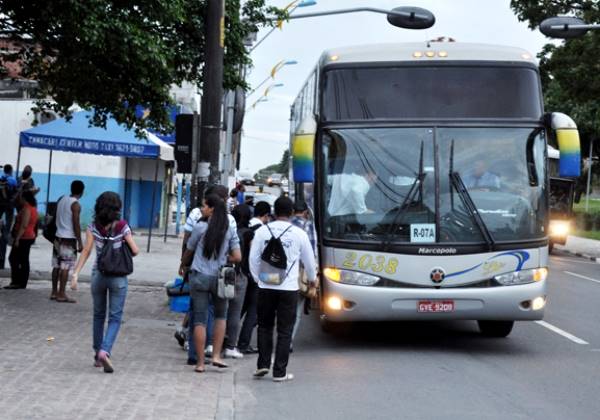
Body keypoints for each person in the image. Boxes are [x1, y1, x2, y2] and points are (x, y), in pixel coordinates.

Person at [249, 196, 317, 382]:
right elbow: (310, 262)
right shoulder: (299, 234)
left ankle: (263, 364)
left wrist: (258, 280)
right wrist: (312, 281)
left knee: (264, 326)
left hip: (266, 285)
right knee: (285, 330)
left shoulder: (262, 231)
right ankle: (279, 372)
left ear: (274, 211)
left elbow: (253, 259)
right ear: (291, 212)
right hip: (288, 288)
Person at [71, 191, 139, 373]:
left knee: (98, 316)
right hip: (118, 277)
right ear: (118, 208)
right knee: (115, 317)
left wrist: (75, 274)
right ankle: (105, 351)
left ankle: (97, 355)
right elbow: (135, 250)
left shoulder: (93, 226)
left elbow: (86, 250)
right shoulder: (123, 226)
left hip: (99, 275)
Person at [179, 194, 241, 373]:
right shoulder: (229, 229)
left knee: (199, 319)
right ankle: (216, 356)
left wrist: (182, 265)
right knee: (221, 317)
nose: (202, 209)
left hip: (199, 277)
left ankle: (199, 363)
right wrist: (223, 257)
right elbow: (238, 257)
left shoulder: (200, 227)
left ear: (212, 209)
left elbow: (189, 250)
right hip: (220, 279)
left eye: (205, 206)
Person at [237, 201, 271, 354]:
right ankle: (243, 343)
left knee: (239, 309)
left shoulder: (244, 225)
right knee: (253, 311)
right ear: (266, 216)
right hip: (256, 275)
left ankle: (227, 338)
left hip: (242, 273)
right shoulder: (262, 231)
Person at [289, 200, 318, 351]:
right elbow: (311, 253)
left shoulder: (286, 225)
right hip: (301, 274)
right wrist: (313, 278)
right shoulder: (308, 226)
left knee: (283, 308)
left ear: (293, 211)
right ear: (306, 212)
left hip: (284, 273)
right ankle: (289, 341)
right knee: (296, 310)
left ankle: (282, 338)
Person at [51, 180, 84, 302]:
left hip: (58, 236)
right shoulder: (75, 205)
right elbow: (76, 224)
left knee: (56, 266)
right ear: (82, 191)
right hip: (68, 239)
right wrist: (80, 241)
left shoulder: (62, 199)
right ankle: (62, 294)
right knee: (65, 267)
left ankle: (54, 292)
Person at [4, 191, 38, 289]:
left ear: (24, 198)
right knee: (23, 260)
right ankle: (21, 282)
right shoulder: (33, 208)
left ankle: (17, 281)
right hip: (28, 236)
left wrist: (17, 239)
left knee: (14, 258)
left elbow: (24, 225)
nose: (19, 199)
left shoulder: (27, 209)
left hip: (24, 237)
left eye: (21, 198)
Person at [0, 164, 18, 270]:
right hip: (9, 208)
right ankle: (1, 261)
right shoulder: (12, 180)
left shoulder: (1, 178)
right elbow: (15, 191)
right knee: (5, 233)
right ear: (11, 170)